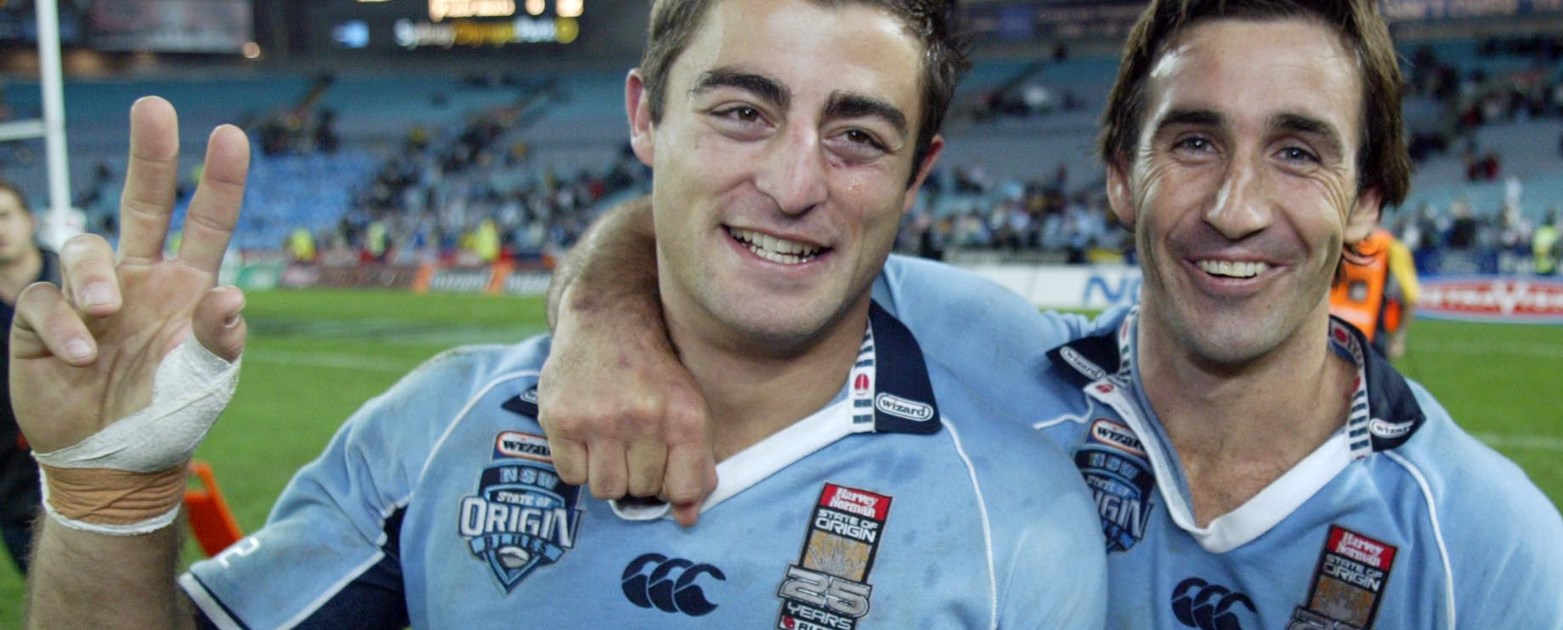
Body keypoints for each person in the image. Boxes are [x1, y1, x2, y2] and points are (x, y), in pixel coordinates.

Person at [13, 1, 1107, 627]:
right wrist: (111, 493)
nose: (790, 181)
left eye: (856, 136)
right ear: (643, 115)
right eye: (739, 111)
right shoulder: (440, 427)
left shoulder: (1025, 513)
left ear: (920, 174)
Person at [538, 0, 1563, 627]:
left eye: (1297, 151)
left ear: (1368, 199)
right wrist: (603, 322)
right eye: (1190, 142)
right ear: (1118, 179)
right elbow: (740, 246)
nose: (1234, 208)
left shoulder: (1483, 551)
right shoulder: (983, 357)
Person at [0, 180, 58, 573]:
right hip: (11, 489)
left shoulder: (82, 286)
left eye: (4, 216)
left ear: (29, 220)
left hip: (96, 481)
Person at [1329, 227, 1419, 359]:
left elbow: (1410, 297)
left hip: (1367, 338)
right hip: (1329, 334)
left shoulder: (1392, 248)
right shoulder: (1333, 239)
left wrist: (1399, 338)